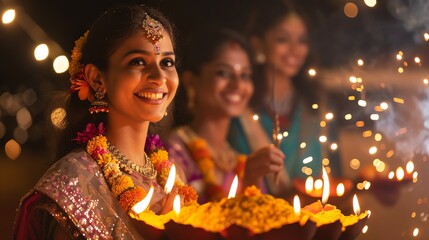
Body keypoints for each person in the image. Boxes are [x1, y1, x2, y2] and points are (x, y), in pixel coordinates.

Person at [13, 5, 197, 239]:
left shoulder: (172, 174)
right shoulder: (74, 184)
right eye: (138, 61)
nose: (159, 77)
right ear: (97, 79)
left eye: (167, 63)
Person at [228, 0, 342, 198]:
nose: (295, 49)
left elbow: (335, 178)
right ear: (258, 44)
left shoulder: (317, 106)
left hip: (312, 223)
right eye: (283, 39)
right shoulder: (237, 107)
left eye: (302, 40)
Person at [167, 27, 285, 203]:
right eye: (223, 73)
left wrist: (251, 180)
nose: (238, 84)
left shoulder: (237, 159)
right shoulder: (174, 152)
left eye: (245, 75)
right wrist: (247, 181)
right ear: (191, 81)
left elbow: (257, 223)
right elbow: (185, 225)